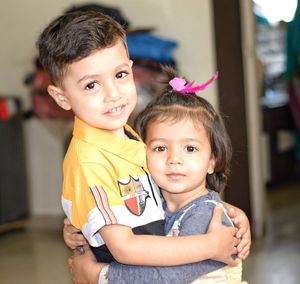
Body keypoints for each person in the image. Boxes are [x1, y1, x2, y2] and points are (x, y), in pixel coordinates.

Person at [37, 9, 250, 278]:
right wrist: (210, 244)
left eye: (120, 75)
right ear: (61, 97)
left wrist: (226, 212)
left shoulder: (127, 134)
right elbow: (125, 248)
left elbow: (160, 194)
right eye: (92, 85)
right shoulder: (91, 160)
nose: (113, 94)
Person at [66, 67, 248, 284]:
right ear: (142, 154)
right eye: (160, 148)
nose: (174, 159)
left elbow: (164, 278)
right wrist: (81, 230)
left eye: (190, 149)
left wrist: (99, 275)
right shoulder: (154, 203)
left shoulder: (206, 218)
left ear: (213, 160)